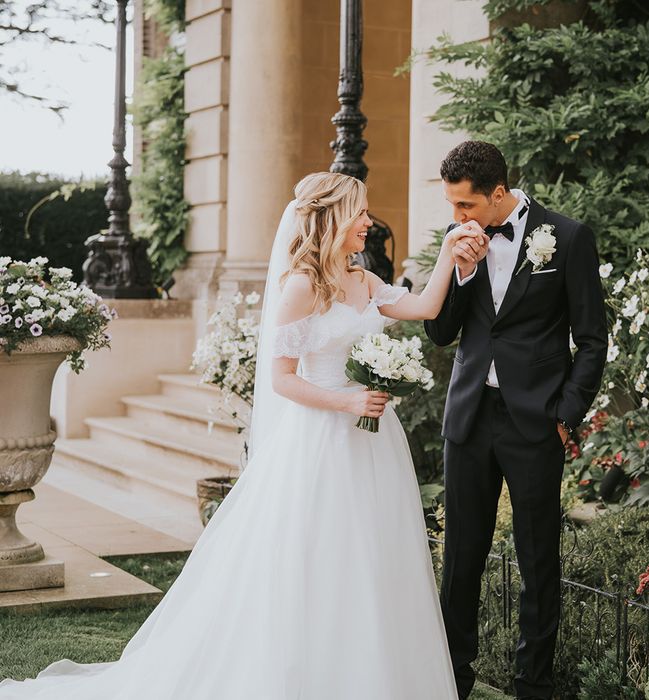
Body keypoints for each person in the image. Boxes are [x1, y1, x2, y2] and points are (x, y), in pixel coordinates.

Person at [0, 171, 488, 699]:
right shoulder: (302, 287)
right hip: (320, 443)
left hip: (372, 444)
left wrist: (448, 256)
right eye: (360, 212)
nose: (369, 221)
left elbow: (426, 308)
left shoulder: (365, 279)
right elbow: (281, 379)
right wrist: (347, 400)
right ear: (331, 218)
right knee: (316, 559)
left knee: (372, 559)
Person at [425, 141, 608, 700]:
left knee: (537, 560)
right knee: (461, 560)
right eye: (452, 206)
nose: (457, 218)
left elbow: (593, 339)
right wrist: (459, 272)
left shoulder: (568, 238)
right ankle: (453, 678)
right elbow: (439, 333)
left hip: (536, 423)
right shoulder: (460, 241)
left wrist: (566, 413)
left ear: (499, 194)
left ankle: (534, 684)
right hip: (471, 418)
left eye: (466, 206)